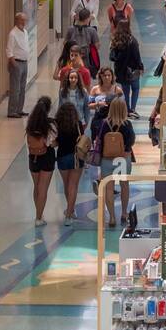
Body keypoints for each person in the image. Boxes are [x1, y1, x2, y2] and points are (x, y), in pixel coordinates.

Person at [94, 96, 135, 227]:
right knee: (124, 186)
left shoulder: (104, 124)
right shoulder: (127, 124)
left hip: (107, 159)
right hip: (123, 159)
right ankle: (124, 213)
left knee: (109, 188)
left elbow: (99, 139)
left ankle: (112, 217)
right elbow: (131, 141)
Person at [24, 96, 57, 226]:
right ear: (48, 109)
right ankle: (39, 217)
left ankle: (39, 213)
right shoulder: (50, 124)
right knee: (43, 188)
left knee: (36, 186)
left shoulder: (30, 122)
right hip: (47, 157)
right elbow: (51, 143)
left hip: (33, 157)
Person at [53, 98, 84, 222]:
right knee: (73, 185)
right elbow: (82, 139)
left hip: (62, 157)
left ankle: (70, 209)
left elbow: (54, 143)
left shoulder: (57, 124)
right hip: (76, 157)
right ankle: (69, 213)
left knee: (66, 185)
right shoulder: (78, 123)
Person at [108, 22, 144, 116]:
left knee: (126, 91)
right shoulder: (133, 41)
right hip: (133, 70)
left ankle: (127, 110)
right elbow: (137, 56)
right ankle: (132, 109)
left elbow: (112, 57)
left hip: (120, 71)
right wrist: (140, 67)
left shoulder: (115, 40)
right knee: (135, 89)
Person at [6, 13, 30, 118]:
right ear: (17, 20)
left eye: (25, 20)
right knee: (15, 89)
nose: (23, 23)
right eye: (22, 20)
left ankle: (19, 109)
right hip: (16, 63)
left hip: (24, 62)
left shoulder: (25, 31)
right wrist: (13, 63)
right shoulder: (13, 33)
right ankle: (11, 111)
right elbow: (9, 50)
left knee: (22, 88)